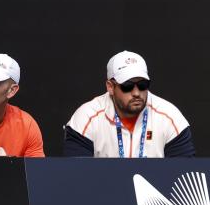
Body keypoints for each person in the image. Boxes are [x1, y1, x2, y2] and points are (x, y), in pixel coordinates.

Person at [64, 50, 194, 157]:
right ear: (110, 87)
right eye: (127, 86)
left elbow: (183, 174)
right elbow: (77, 176)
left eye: (143, 85)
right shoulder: (86, 118)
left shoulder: (171, 118)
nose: (136, 92)